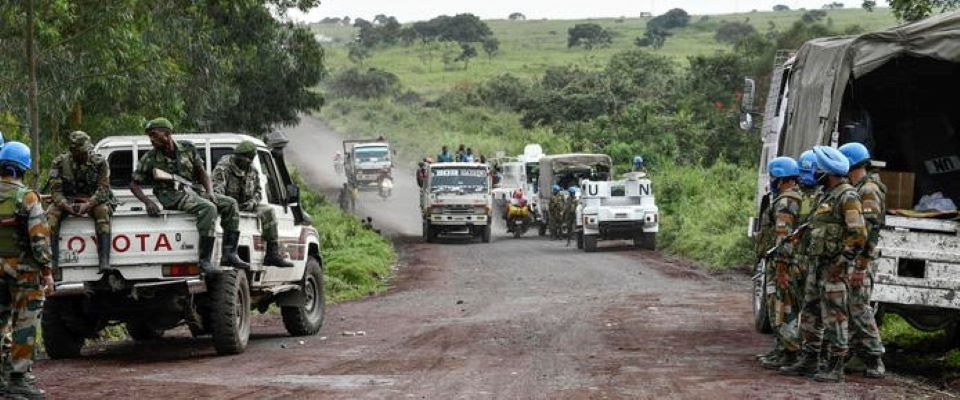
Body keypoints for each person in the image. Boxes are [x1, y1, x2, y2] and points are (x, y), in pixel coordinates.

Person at [130, 118, 249, 274]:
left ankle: (229, 254)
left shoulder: (187, 148)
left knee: (230, 204)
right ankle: (204, 261)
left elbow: (202, 173)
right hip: (170, 195)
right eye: (149, 136)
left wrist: (210, 192)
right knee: (208, 208)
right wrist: (147, 202)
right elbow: (134, 184)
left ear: (167, 134)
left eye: (154, 134)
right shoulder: (150, 158)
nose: (151, 139)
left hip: (191, 190)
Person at [793, 146, 866, 383]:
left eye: (820, 170)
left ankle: (836, 366)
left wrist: (842, 262)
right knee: (811, 311)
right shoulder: (827, 194)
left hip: (835, 268)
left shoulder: (847, 196)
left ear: (830, 172)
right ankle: (810, 357)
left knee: (835, 316)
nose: (816, 174)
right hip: (818, 265)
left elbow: (858, 235)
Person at [0, 141, 52, 398]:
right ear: (24, 168)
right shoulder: (28, 197)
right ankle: (19, 379)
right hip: (24, 272)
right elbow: (39, 240)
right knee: (25, 324)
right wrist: (46, 271)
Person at [838, 142, 886, 379]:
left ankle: (875, 357)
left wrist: (861, 266)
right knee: (852, 306)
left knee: (859, 308)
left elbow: (870, 231)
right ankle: (858, 355)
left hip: (862, 260)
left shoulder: (867, 190)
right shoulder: (860, 187)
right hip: (857, 258)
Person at [212, 141, 293, 268]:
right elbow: (217, 191)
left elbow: (258, 192)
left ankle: (272, 254)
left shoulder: (252, 171)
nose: (248, 162)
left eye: (250, 159)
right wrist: (230, 203)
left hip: (247, 205)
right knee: (231, 206)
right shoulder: (224, 167)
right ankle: (229, 252)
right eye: (245, 159)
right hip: (227, 205)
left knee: (268, 211)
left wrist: (252, 202)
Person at [46, 131, 117, 273]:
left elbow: (103, 189)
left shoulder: (100, 162)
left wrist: (89, 204)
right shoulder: (59, 163)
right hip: (68, 199)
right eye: (83, 151)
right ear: (73, 151)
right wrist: (66, 205)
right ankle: (52, 264)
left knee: (103, 211)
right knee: (51, 215)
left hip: (92, 199)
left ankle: (104, 261)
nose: (87, 154)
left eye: (88, 150)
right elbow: (56, 191)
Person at [758, 157, 804, 370]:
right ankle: (782, 348)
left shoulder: (786, 201)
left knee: (784, 308)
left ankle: (791, 351)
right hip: (785, 262)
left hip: (784, 263)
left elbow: (783, 238)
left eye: (774, 178)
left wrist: (782, 268)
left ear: (782, 179)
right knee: (779, 308)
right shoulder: (792, 197)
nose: (772, 181)